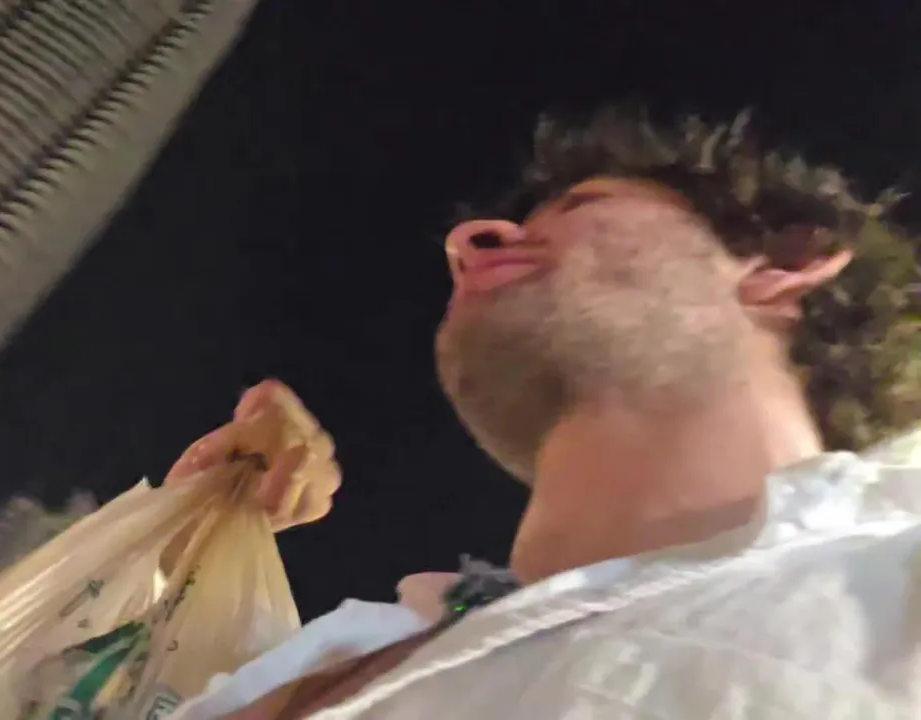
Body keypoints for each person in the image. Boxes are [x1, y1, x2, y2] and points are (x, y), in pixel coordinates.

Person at [167, 108, 921, 718]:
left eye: (582, 206)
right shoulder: (337, 659)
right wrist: (190, 530)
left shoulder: (895, 589)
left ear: (785, 264)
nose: (469, 244)